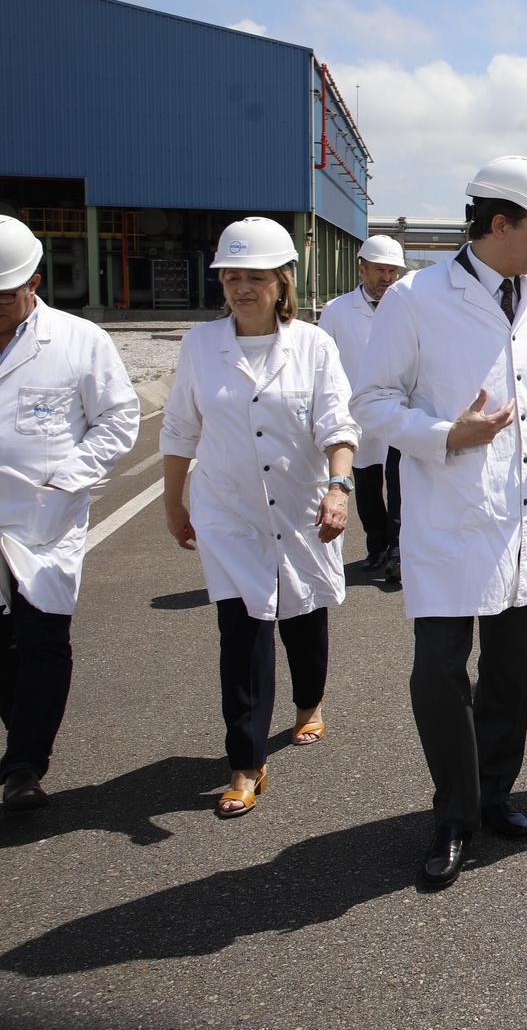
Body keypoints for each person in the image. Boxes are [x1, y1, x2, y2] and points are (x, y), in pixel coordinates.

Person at [353, 155, 527, 886]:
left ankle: (495, 793)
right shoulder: (417, 298)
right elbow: (371, 402)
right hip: (450, 515)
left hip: (521, 517)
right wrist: (446, 436)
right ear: (499, 224)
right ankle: (453, 814)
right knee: (438, 672)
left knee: (509, 675)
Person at [160, 218, 357, 817]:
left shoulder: (314, 345)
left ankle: (309, 701)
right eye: (232, 277)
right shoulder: (200, 345)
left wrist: (339, 486)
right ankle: (245, 763)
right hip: (229, 512)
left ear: (282, 282)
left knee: (302, 617)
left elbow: (336, 423)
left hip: (300, 507)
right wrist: (175, 503)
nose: (242, 288)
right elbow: (179, 427)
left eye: (255, 277)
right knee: (242, 635)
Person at [0, 215, 140, 811]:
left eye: (5, 294)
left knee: (40, 639)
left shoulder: (80, 341)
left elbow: (120, 418)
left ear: (33, 281)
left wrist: (70, 476)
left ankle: (26, 766)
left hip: (42, 522)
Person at [317, 234, 409, 587]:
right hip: (357, 414)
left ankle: (399, 550)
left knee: (401, 482)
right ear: (362, 269)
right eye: (380, 270)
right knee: (368, 486)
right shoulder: (337, 311)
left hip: (400, 409)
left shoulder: (407, 304)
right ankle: (377, 547)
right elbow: (323, 365)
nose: (387, 278)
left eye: (392, 271)